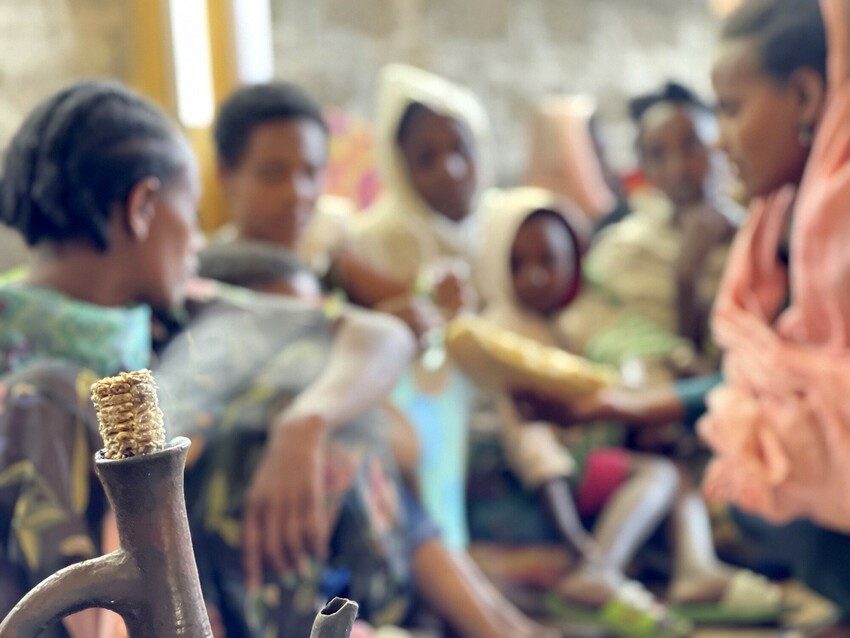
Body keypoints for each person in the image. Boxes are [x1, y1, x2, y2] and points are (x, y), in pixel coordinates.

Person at [475, 187, 779, 620]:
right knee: (657, 475)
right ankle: (598, 569)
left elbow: (631, 370)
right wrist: (569, 531)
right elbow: (531, 442)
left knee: (675, 476)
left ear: (575, 261)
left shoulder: (577, 318)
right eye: (518, 264)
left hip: (592, 458)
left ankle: (696, 570)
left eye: (548, 261)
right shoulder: (504, 335)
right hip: (559, 480)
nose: (535, 277)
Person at [353, 64, 486, 321]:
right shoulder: (370, 243)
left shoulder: (506, 232)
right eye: (427, 158)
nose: (450, 171)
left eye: (460, 149)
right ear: (399, 166)